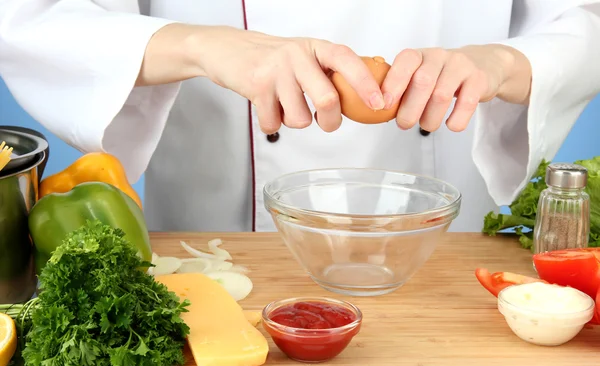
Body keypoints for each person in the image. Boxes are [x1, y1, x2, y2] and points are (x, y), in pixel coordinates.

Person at [0, 1, 599, 233]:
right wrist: (198, 44)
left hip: (440, 248)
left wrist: (503, 61)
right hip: (218, 236)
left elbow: (582, 22)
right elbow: (35, 17)